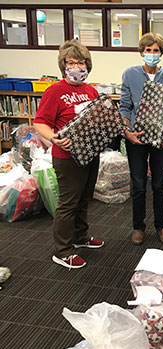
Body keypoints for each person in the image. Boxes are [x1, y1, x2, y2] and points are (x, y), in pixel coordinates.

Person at [34, 40, 104, 269]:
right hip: (67, 157)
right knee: (68, 203)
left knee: (84, 198)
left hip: (89, 154)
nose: (76, 66)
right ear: (64, 65)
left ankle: (80, 237)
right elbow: (40, 122)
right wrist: (53, 137)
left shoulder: (90, 90)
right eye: (71, 62)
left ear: (88, 65)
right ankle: (62, 250)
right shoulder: (55, 91)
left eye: (81, 62)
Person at [120, 33, 163, 246]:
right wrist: (126, 131)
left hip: (161, 139)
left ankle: (162, 225)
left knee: (159, 185)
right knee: (138, 184)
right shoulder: (130, 74)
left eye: (156, 50)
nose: (152, 54)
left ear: (161, 53)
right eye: (148, 50)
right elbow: (125, 105)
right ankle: (138, 227)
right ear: (142, 52)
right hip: (136, 137)